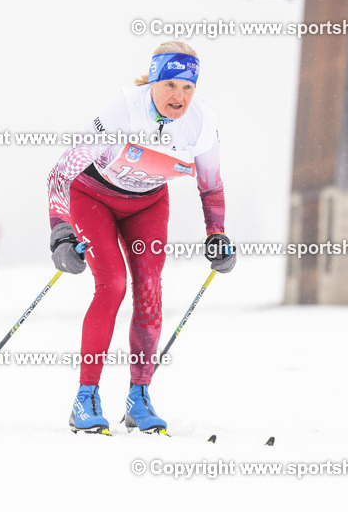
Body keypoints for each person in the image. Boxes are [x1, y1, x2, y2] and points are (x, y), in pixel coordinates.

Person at [47, 41, 236, 436]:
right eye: (170, 85)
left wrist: (216, 234)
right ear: (152, 80)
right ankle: (85, 398)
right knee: (112, 284)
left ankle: (139, 397)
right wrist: (61, 233)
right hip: (92, 196)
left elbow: (211, 186)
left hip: (147, 204)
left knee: (149, 290)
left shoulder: (201, 123)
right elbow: (61, 173)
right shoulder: (124, 110)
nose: (179, 96)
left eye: (188, 88)